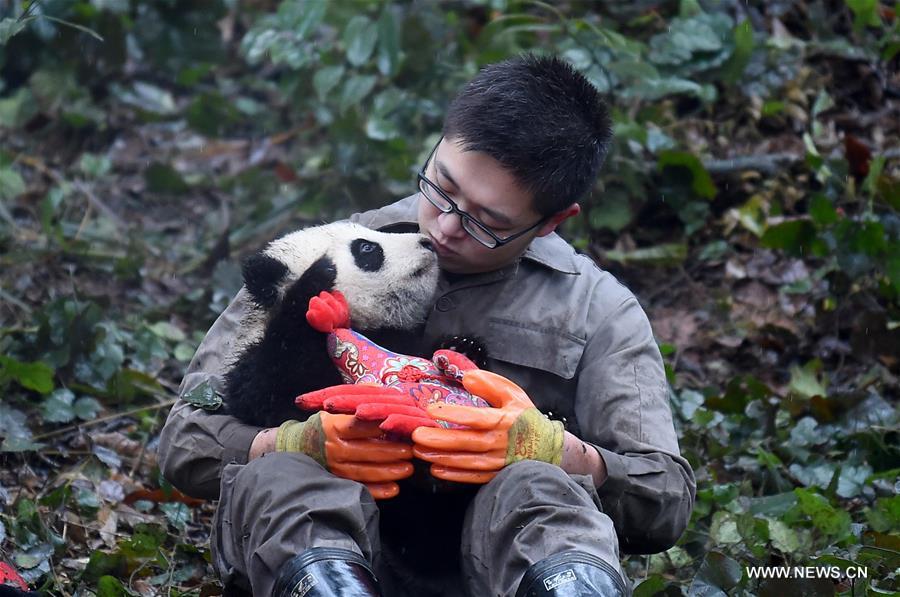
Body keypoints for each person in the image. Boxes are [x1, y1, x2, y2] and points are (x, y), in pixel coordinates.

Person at [158, 54, 695, 597]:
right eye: (441, 186)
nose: (444, 226)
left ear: (553, 221)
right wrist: (286, 444)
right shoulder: (327, 251)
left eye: (487, 223)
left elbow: (667, 498)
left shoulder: (598, 310)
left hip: (493, 572)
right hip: (318, 546)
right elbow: (184, 440)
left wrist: (564, 454)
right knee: (286, 475)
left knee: (538, 488)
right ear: (441, 140)